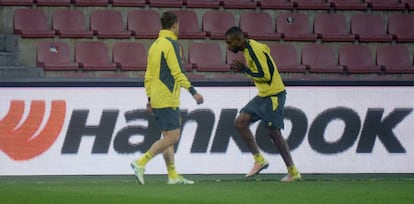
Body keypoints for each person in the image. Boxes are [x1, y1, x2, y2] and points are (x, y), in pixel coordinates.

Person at [130, 11, 204, 185]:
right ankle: (141, 162)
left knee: (167, 137)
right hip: (167, 96)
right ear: (174, 25)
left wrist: (150, 98)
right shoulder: (172, 44)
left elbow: (148, 76)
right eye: (178, 25)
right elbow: (178, 72)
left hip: (156, 96)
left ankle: (172, 176)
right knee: (173, 136)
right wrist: (193, 92)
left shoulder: (154, 45)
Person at [224, 26, 301, 182]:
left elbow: (266, 75)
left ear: (239, 40)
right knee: (240, 122)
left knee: (274, 132)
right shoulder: (249, 48)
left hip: (273, 95)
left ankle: (293, 172)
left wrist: (245, 70)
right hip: (263, 95)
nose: (228, 46)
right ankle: (259, 160)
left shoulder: (254, 50)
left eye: (230, 42)